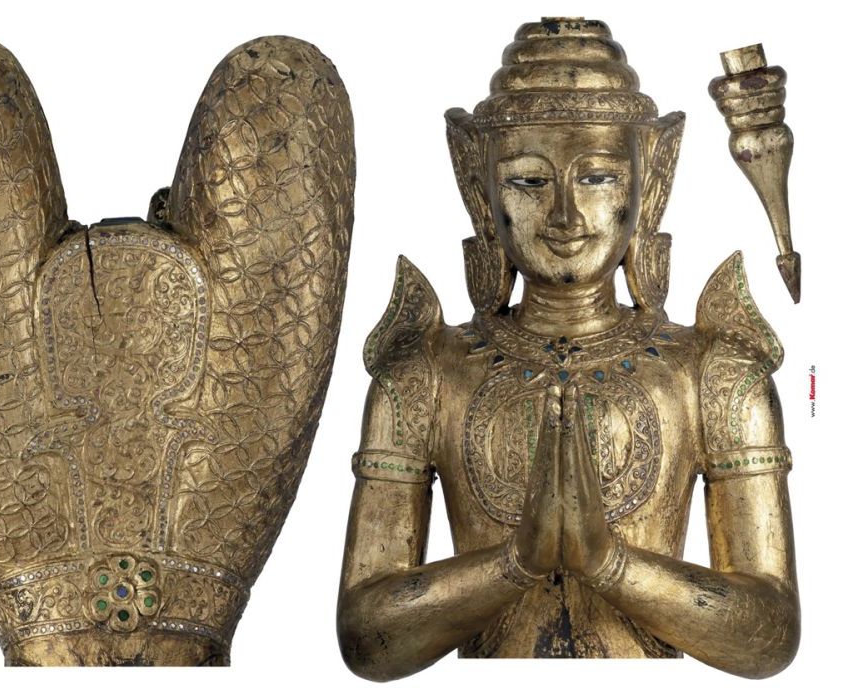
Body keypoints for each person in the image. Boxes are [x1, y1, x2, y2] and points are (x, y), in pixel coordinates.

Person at [337, 18, 799, 681]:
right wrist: (514, 564)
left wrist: (610, 564)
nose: (565, 216)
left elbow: (770, 632)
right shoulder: (425, 376)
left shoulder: (714, 376)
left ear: (648, 183)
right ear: (481, 188)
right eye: (529, 180)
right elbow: (366, 634)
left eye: (598, 178)